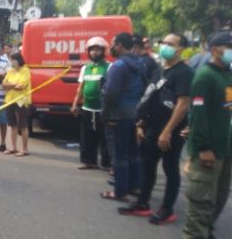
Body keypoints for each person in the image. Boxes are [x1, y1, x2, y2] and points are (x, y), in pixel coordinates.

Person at [119, 33, 193, 224]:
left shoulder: (184, 73)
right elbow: (150, 97)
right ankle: (143, 203)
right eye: (163, 42)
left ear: (180, 49)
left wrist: (167, 131)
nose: (165, 46)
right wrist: (141, 123)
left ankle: (167, 209)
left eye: (170, 44)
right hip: (152, 128)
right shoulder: (160, 70)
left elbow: (183, 105)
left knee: (170, 169)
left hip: (171, 132)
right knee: (147, 166)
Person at [182, 31, 232, 239]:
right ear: (214, 49)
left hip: (225, 150)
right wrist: (203, 148)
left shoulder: (227, 75)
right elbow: (198, 115)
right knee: (201, 202)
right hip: (208, 151)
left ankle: (206, 232)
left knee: (219, 198)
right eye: (228, 46)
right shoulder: (204, 77)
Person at [100, 32, 146, 201]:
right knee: (133, 151)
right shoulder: (139, 63)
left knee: (119, 154)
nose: (111, 46)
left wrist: (105, 114)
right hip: (134, 113)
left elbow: (111, 93)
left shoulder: (118, 66)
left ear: (119, 45)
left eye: (113, 43)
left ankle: (120, 191)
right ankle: (134, 185)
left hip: (117, 115)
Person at [71, 36, 111, 170]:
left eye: (97, 50)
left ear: (103, 51)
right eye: (92, 50)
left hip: (102, 109)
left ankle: (107, 164)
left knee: (105, 137)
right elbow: (81, 87)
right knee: (87, 137)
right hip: (87, 108)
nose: (94, 53)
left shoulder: (109, 67)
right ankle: (89, 161)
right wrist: (75, 104)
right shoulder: (85, 68)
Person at [3, 52, 32, 157]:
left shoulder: (26, 70)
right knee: (12, 125)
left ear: (17, 59)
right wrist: (13, 85)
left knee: (23, 125)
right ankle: (13, 147)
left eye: (12, 59)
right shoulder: (10, 71)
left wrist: (9, 85)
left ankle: (25, 149)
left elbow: (22, 86)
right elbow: (3, 84)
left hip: (21, 101)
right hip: (9, 100)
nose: (11, 62)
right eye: (10, 60)